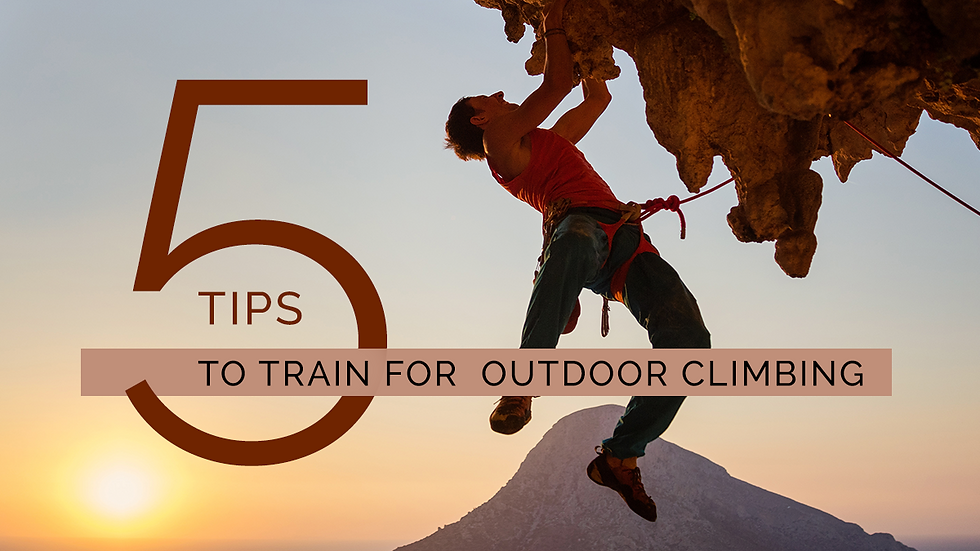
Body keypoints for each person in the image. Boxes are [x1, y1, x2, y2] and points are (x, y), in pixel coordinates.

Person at [444, 0, 710, 522]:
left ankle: (620, 456)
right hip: (582, 231)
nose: (500, 94)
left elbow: (593, 98)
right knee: (574, 240)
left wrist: (595, 59)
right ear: (481, 118)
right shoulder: (499, 142)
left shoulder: (547, 143)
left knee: (691, 346)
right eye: (489, 98)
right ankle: (522, 384)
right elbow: (555, 83)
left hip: (625, 240)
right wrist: (556, 21)